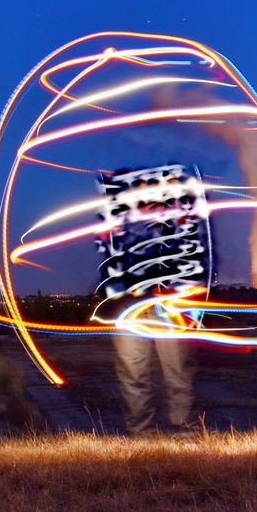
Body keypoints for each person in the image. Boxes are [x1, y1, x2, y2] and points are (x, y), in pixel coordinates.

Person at [94, 165, 206, 435]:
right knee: (134, 373)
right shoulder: (118, 224)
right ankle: (141, 432)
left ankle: (184, 430)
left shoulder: (177, 220)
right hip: (128, 306)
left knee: (177, 371)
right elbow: (105, 250)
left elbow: (195, 257)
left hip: (170, 305)